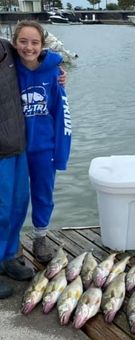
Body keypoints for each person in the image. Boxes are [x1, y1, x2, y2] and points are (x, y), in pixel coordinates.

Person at [12, 20, 72, 264]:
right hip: (14, 148)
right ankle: (11, 242)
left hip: (43, 148)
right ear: (14, 43)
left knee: (43, 194)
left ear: (42, 45)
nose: (29, 47)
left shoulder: (53, 72)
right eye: (23, 41)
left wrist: (61, 152)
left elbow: (62, 113)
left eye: (35, 42)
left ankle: (40, 237)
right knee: (13, 197)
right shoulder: (7, 68)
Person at [0, 37, 34, 299]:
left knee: (18, 204)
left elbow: (38, 58)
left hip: (17, 143)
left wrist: (58, 73)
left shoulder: (7, 48)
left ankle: (9, 256)